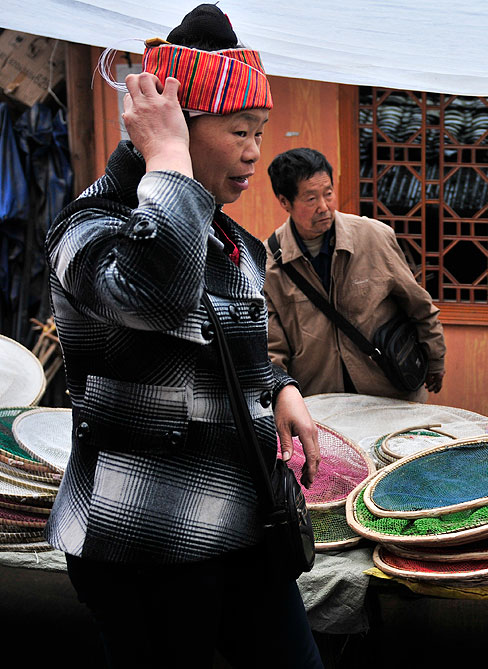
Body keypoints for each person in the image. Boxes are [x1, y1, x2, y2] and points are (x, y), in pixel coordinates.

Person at [44, 5, 323, 667]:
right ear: (173, 123)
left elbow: (218, 348)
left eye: (259, 131)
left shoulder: (234, 242)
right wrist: (166, 159)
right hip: (146, 545)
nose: (255, 151)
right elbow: (159, 298)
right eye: (239, 130)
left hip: (246, 528)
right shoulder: (88, 228)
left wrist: (278, 386)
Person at [264, 148, 446, 400]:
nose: (324, 207)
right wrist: (282, 398)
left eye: (328, 193)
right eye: (311, 199)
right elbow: (272, 348)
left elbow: (419, 306)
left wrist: (435, 360)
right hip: (321, 403)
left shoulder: (374, 237)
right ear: (285, 202)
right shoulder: (269, 263)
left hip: (388, 395)